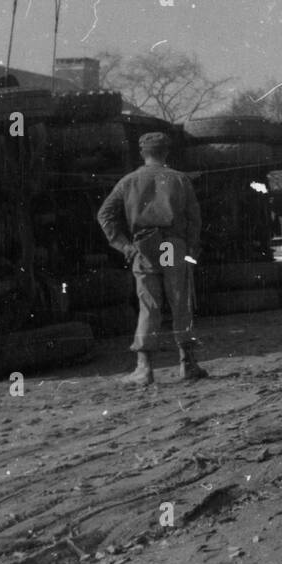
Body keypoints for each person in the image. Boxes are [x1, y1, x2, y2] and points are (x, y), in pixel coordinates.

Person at [97, 131, 208, 386]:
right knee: (181, 302)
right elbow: (194, 218)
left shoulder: (128, 181)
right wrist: (191, 248)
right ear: (166, 152)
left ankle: (144, 369)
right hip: (174, 245)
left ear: (142, 153)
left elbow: (105, 215)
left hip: (144, 246)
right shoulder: (180, 179)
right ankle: (188, 365)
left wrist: (124, 246)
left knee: (149, 306)